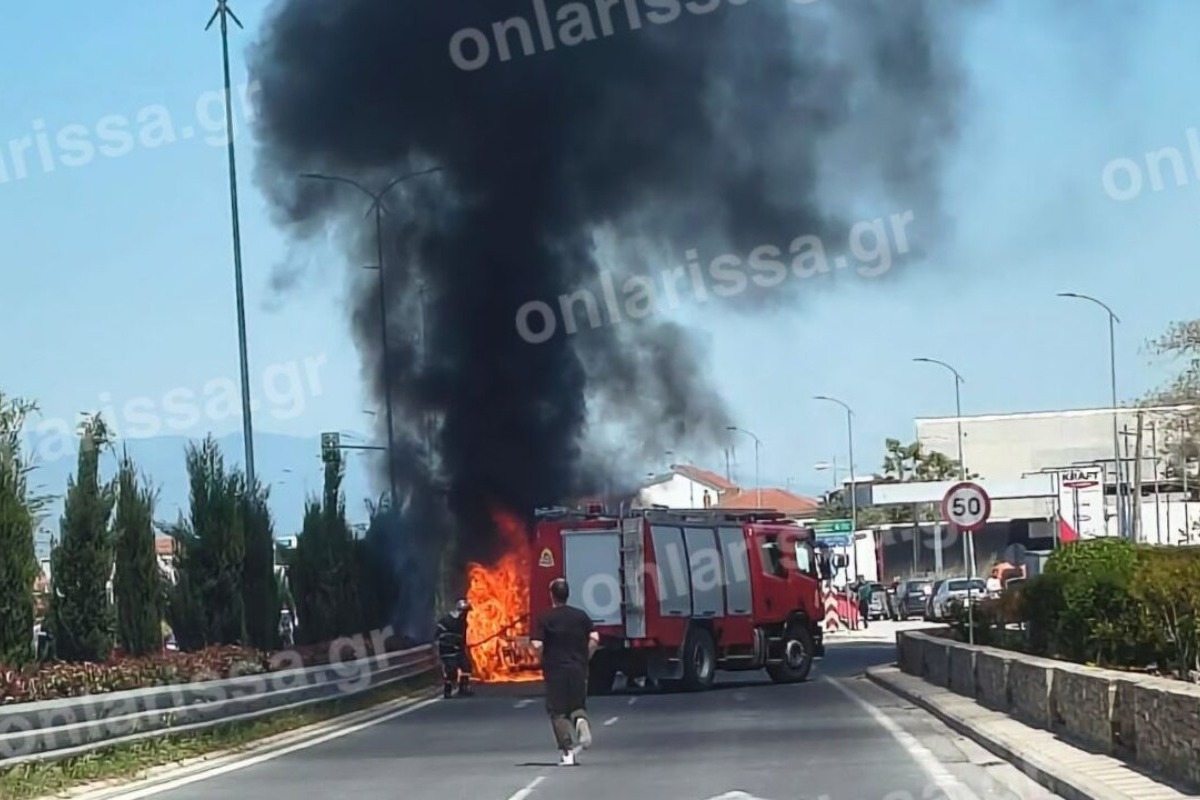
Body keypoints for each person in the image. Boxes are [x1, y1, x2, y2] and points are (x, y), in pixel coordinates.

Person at [530, 578, 599, 766]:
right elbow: (594, 637)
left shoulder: (545, 618)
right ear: (568, 594)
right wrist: (586, 657)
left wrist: (541, 659)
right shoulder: (580, 616)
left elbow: (536, 644)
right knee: (577, 705)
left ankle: (568, 752)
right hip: (578, 668)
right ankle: (580, 721)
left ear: (552, 595)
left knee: (558, 712)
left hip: (555, 670)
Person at [436, 599, 474, 699]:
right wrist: (451, 643)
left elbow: (462, 637)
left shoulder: (463, 622)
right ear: (460, 611)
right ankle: (447, 691)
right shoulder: (447, 621)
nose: (466, 614)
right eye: (465, 611)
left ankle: (463, 687)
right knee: (451, 671)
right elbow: (439, 635)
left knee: (467, 667)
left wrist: (463, 646)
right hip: (448, 651)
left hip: (459, 650)